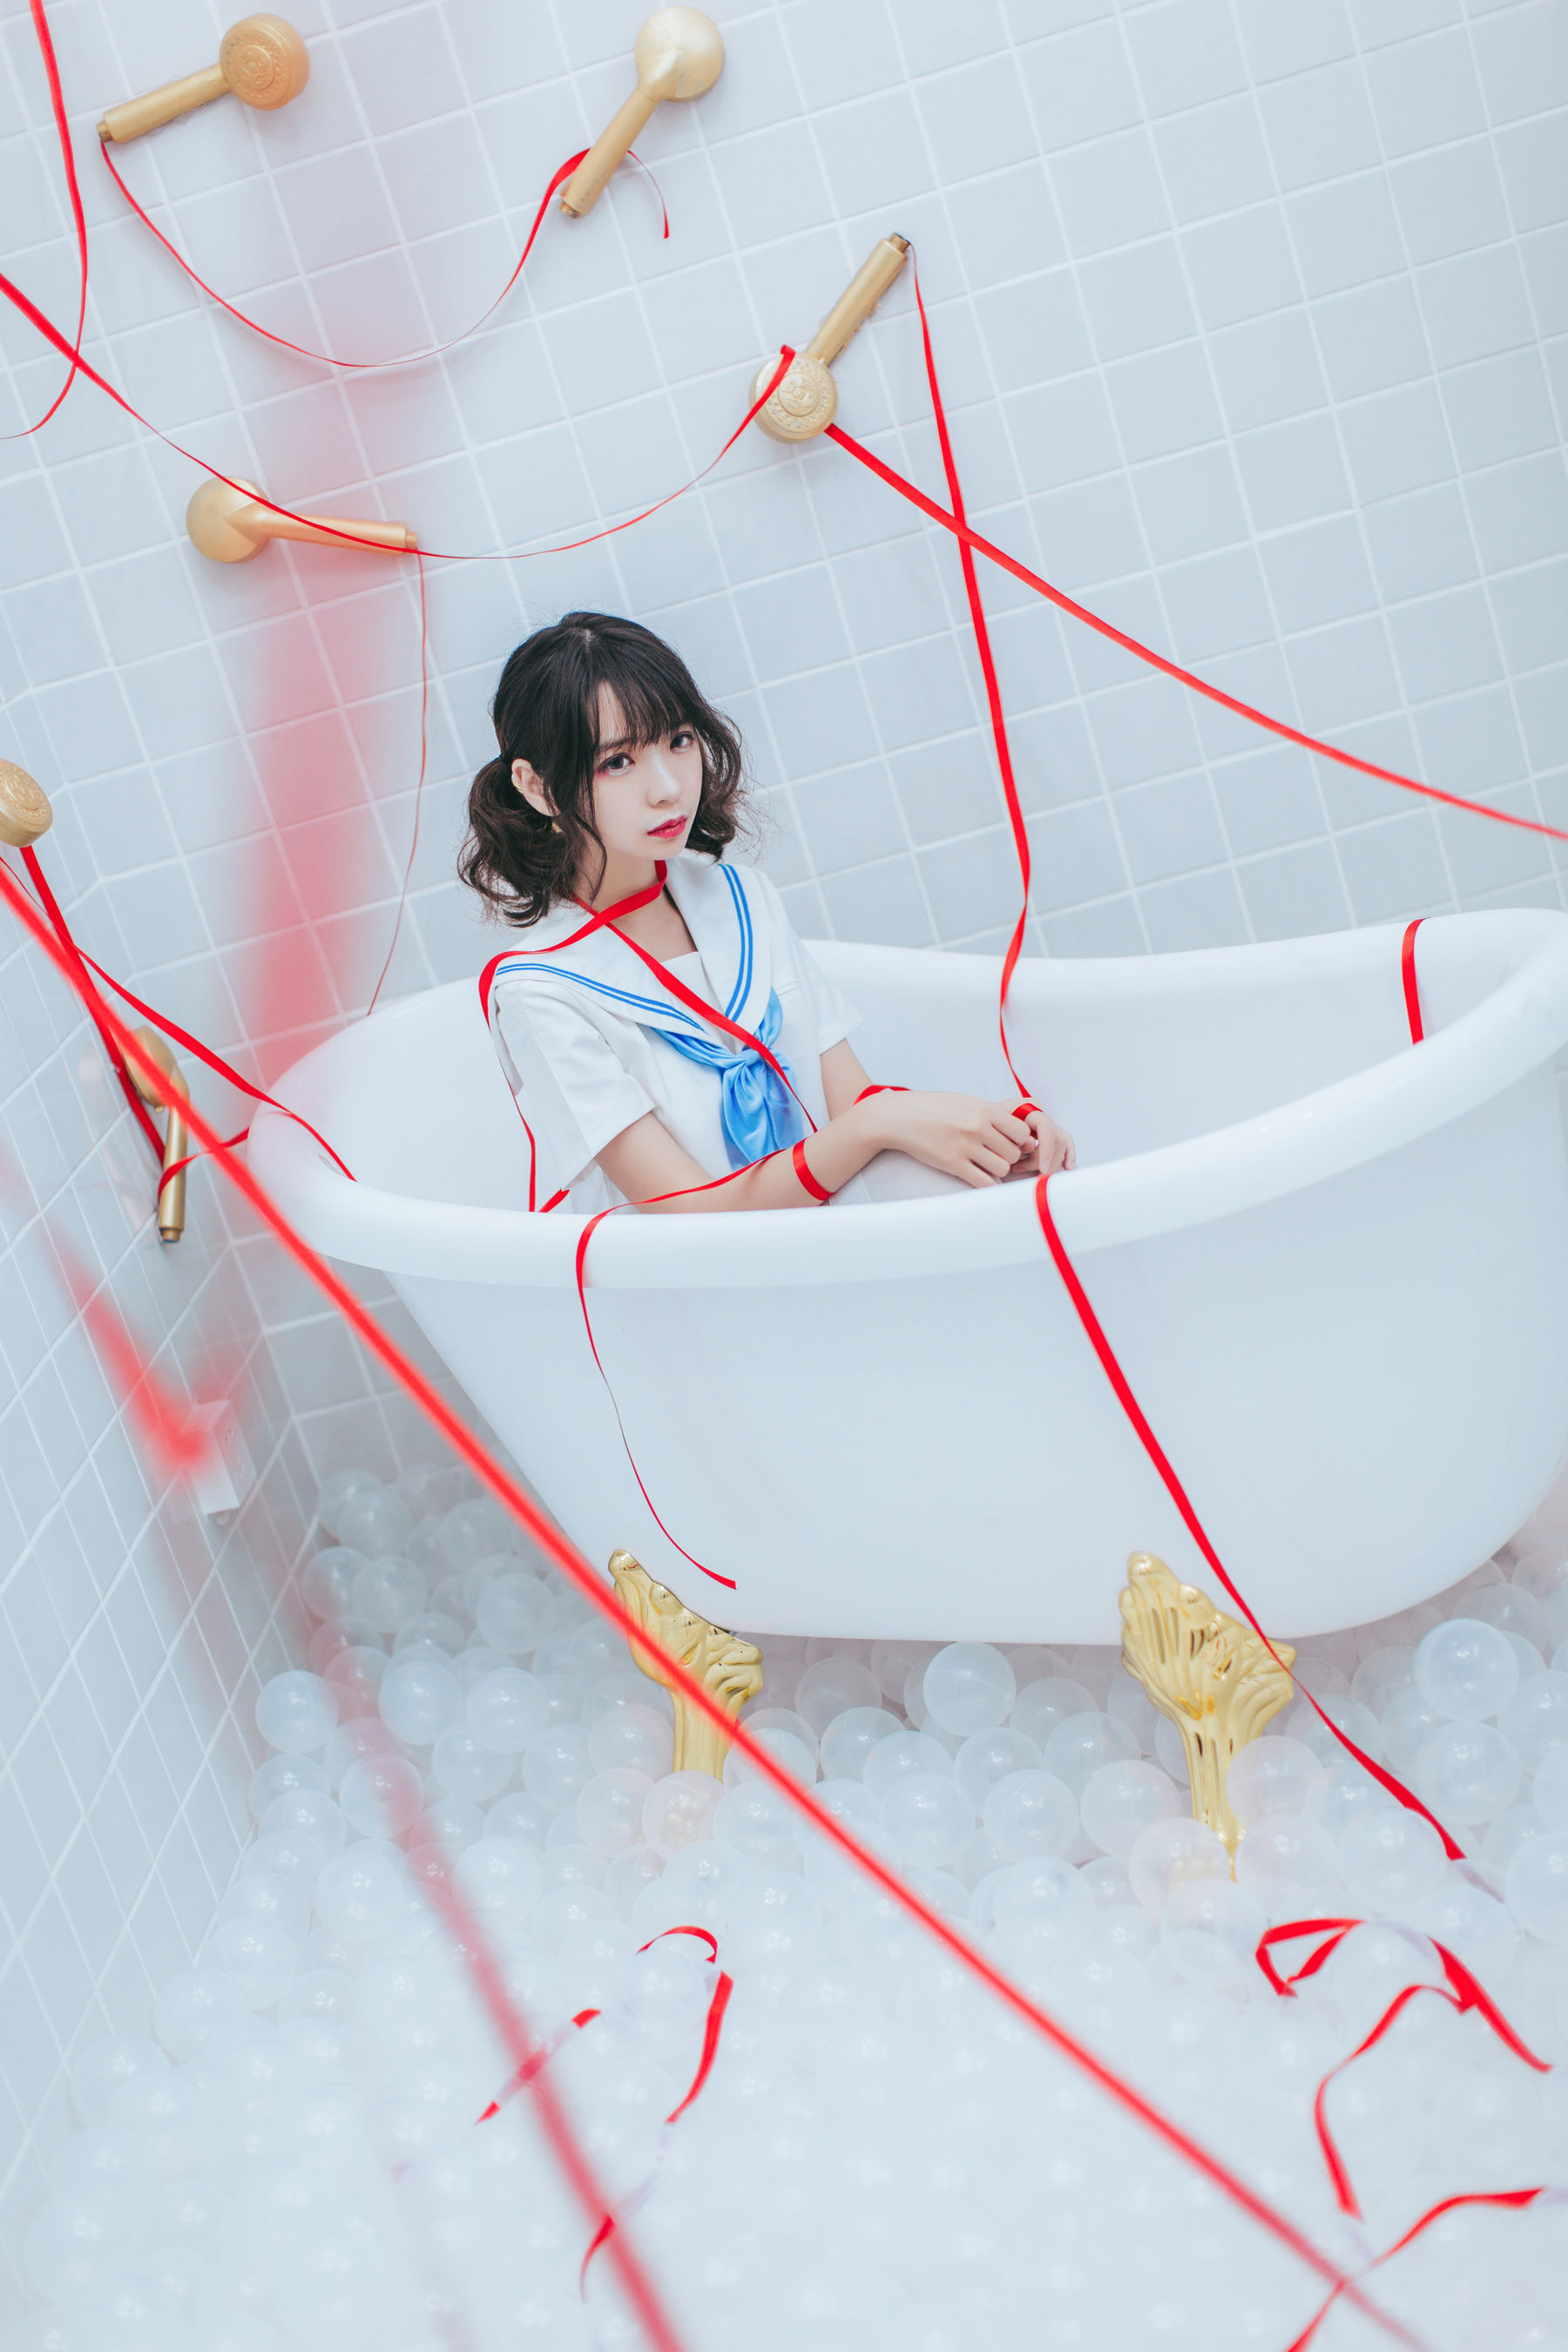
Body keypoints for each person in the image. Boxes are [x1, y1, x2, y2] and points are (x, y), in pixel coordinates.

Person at [462, 612, 1075, 1215]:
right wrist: (878, 1124)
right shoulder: (539, 989)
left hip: (811, 1242)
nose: (668, 786)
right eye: (617, 762)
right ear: (537, 787)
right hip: (681, 1277)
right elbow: (691, 1215)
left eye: (678, 741)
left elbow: (852, 1104)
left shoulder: (741, 899)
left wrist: (991, 1133)